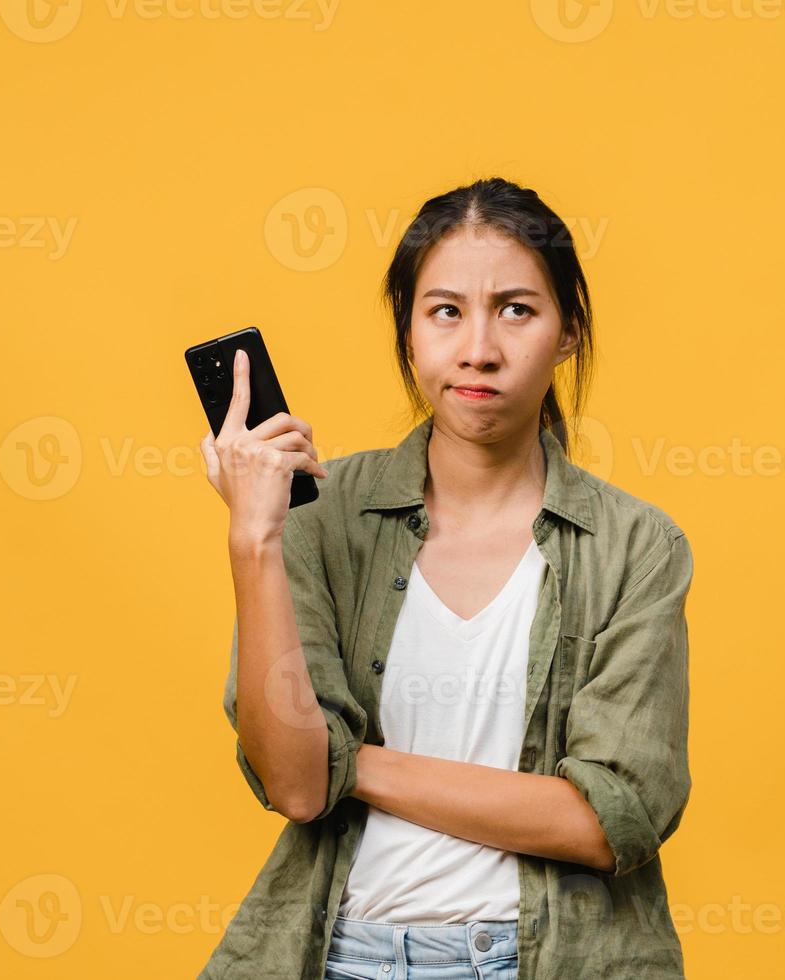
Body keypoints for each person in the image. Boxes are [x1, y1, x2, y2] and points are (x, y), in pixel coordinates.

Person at [197, 177, 694, 979]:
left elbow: (611, 819)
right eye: (446, 311)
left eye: (517, 309)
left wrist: (349, 764)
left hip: (547, 960)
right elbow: (293, 783)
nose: (478, 349)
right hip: (343, 956)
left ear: (568, 332)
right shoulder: (319, 519)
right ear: (408, 331)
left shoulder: (636, 547)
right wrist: (254, 537)